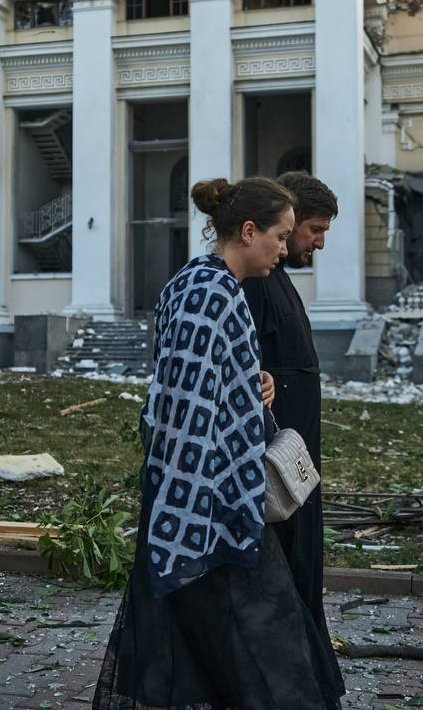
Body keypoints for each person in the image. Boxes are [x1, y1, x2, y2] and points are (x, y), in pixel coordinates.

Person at [93, 176, 345, 710]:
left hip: (204, 493)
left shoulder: (201, 285)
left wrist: (254, 387)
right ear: (248, 231)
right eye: (279, 236)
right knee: (262, 639)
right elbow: (183, 408)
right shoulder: (212, 294)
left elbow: (199, 383)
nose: (284, 247)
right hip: (209, 501)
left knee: (213, 640)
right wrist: (197, 505)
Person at [241, 172, 340, 668]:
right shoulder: (257, 281)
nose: (317, 243)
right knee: (281, 558)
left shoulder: (277, 278)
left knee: (301, 560)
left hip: (295, 459)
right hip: (273, 461)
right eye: (312, 230)